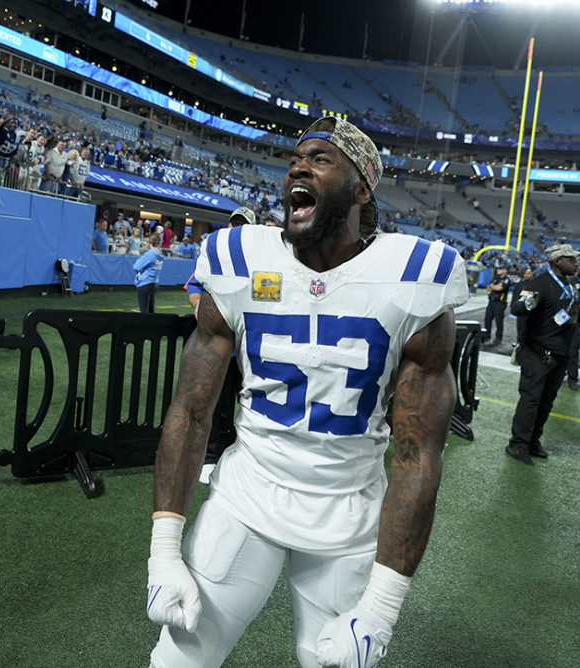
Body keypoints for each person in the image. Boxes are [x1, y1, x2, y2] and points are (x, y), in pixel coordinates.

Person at [146, 117, 467, 668]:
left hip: (348, 519)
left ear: (361, 187)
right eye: (297, 157)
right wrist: (162, 553)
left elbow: (417, 456)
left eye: (321, 159)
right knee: (179, 660)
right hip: (246, 498)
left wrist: (383, 609)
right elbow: (191, 412)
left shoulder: (416, 275)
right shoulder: (239, 259)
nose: (299, 165)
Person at [504, 244, 580, 465]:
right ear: (558, 261)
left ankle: (532, 441)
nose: (576, 262)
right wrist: (527, 303)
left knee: (547, 401)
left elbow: (574, 312)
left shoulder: (570, 285)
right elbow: (517, 308)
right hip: (537, 353)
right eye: (571, 258)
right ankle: (517, 444)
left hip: (560, 353)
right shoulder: (539, 282)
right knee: (531, 401)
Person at [483, 266, 515, 346]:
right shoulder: (495, 278)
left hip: (500, 303)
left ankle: (498, 338)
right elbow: (488, 288)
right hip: (491, 302)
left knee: (499, 321)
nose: (498, 270)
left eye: (500, 269)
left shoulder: (507, 280)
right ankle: (486, 336)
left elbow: (499, 288)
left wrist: (493, 286)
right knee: (487, 319)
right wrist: (495, 287)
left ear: (505, 271)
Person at [133, 232, 163, 313]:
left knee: (144, 312)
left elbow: (136, 267)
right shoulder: (159, 254)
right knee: (151, 311)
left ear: (149, 242)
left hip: (145, 283)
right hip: (154, 282)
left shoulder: (150, 254)